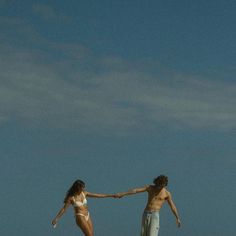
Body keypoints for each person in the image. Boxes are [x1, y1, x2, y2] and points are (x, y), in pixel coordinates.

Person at [117, 175, 181, 236]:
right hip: (146, 213)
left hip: (155, 215)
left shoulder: (167, 193)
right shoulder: (150, 188)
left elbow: (172, 206)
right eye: (159, 185)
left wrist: (177, 218)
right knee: (143, 234)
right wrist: (123, 194)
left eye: (162, 186)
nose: (160, 188)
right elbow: (135, 190)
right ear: (157, 183)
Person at [51, 179, 117, 236]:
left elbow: (98, 195)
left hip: (87, 215)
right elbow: (64, 209)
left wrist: (111, 195)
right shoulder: (71, 198)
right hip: (80, 216)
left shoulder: (84, 193)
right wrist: (56, 219)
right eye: (82, 187)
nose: (84, 188)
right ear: (78, 187)